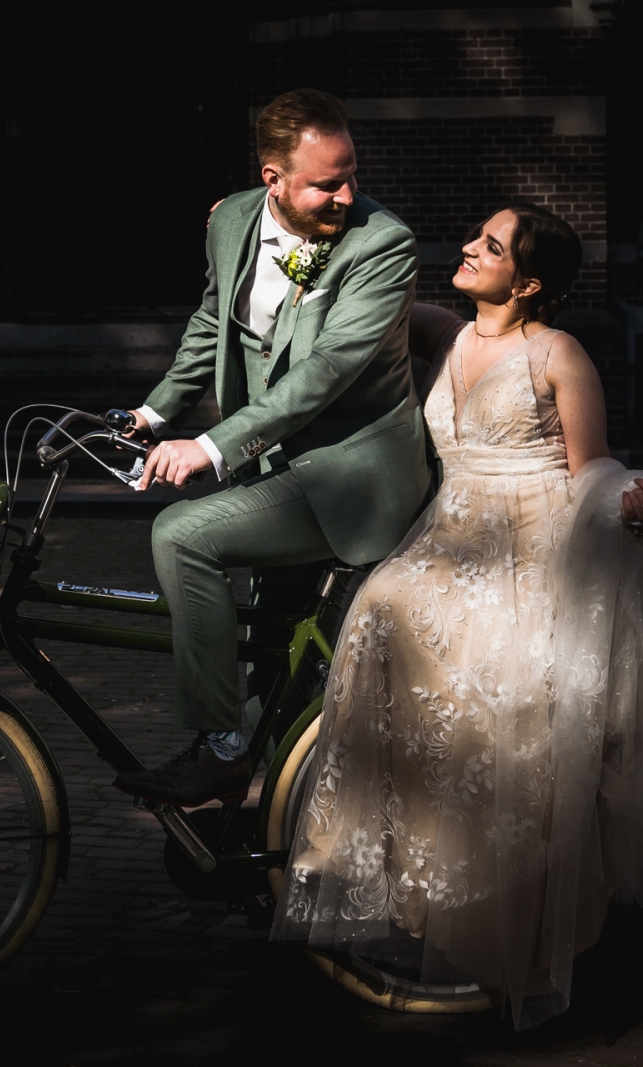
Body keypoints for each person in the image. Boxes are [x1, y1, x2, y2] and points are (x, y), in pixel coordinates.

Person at [268, 202, 643, 1029]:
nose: (467, 246)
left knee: (512, 711)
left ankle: (512, 919)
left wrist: (630, 502)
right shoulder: (444, 333)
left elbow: (591, 467)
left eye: (489, 245)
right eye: (476, 237)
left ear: (526, 282)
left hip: (531, 551)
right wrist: (277, 233)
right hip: (448, 537)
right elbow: (349, 287)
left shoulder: (559, 353)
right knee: (378, 608)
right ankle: (389, 861)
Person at [111, 89, 431, 808]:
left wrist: (211, 447)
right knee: (273, 659)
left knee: (183, 534)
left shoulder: (382, 244)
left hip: (352, 473)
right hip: (275, 466)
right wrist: (151, 412)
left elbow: (323, 375)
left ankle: (221, 749)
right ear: (272, 179)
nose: (347, 194)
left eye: (353, 174)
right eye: (327, 181)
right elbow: (210, 323)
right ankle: (261, 834)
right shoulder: (228, 222)